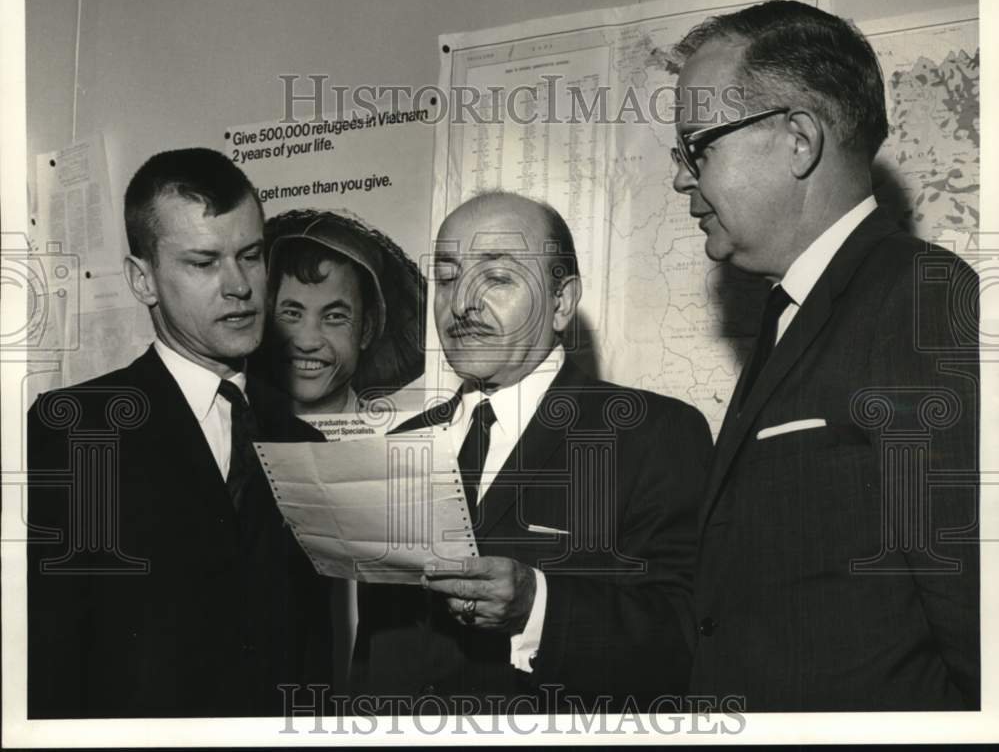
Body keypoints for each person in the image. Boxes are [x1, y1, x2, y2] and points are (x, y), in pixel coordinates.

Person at [670, 0, 979, 711]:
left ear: (799, 140)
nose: (683, 178)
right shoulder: (793, 314)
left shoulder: (917, 298)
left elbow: (973, 610)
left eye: (699, 147)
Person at [350, 191, 712, 712]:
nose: (462, 304)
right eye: (448, 278)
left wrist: (535, 607)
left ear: (561, 302)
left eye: (497, 277)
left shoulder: (654, 433)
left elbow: (684, 642)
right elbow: (376, 650)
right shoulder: (401, 442)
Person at [27, 148, 332, 718]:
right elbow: (45, 663)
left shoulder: (305, 448)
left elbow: (311, 655)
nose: (239, 286)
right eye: (203, 262)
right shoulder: (74, 434)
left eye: (251, 255)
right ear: (143, 279)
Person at [262, 208, 425, 415]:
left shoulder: (393, 432)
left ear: (365, 330)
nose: (307, 342)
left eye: (334, 317)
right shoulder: (236, 424)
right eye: (293, 314)